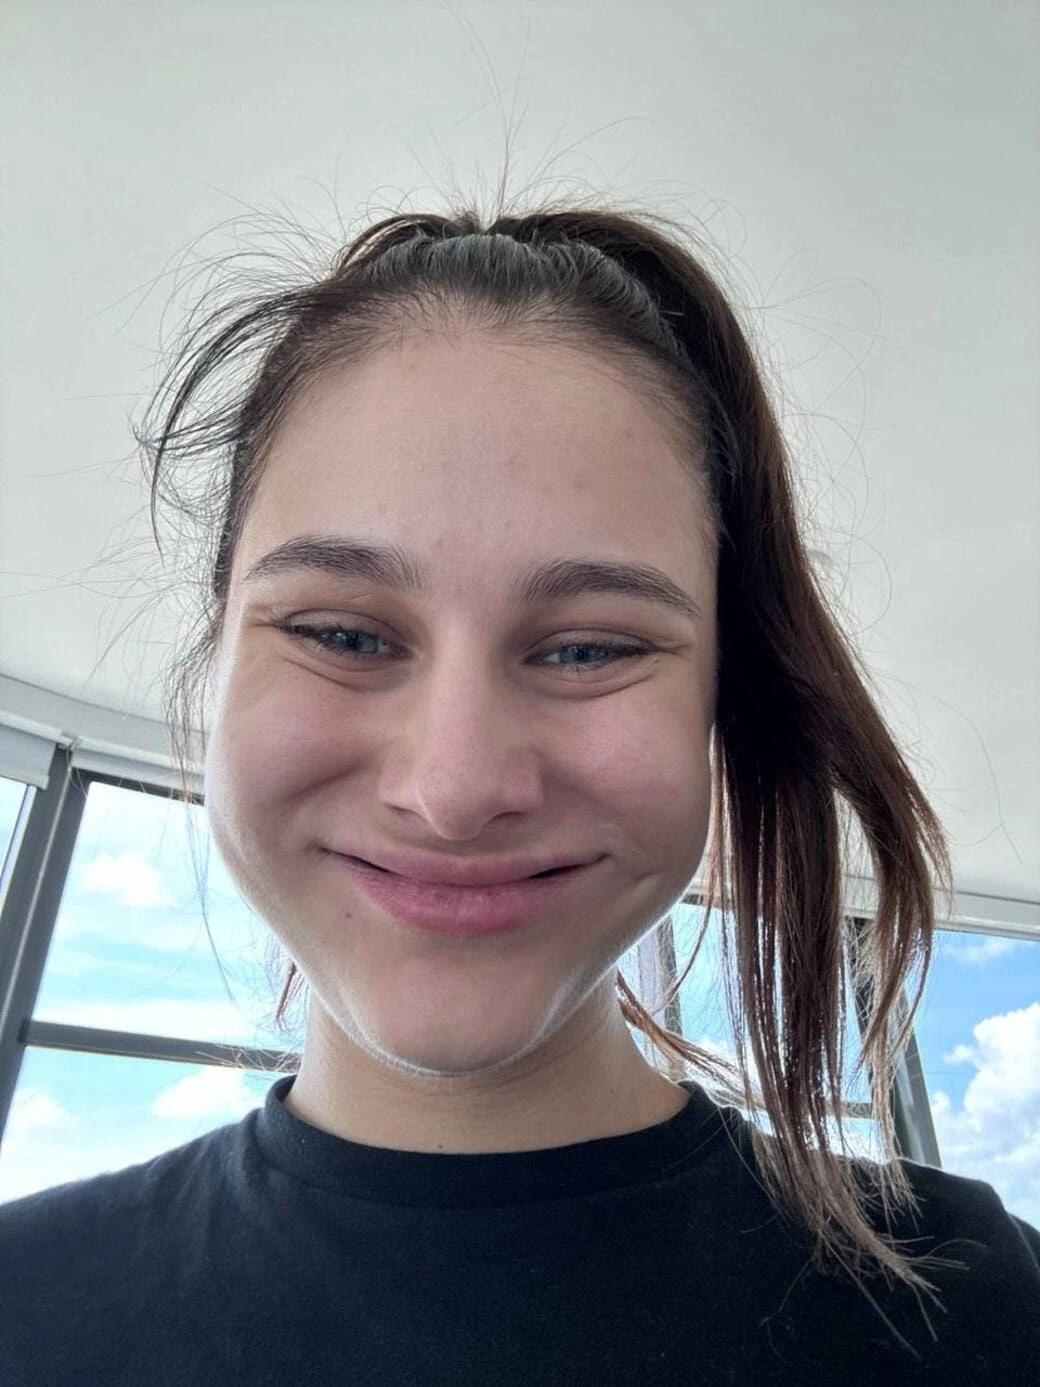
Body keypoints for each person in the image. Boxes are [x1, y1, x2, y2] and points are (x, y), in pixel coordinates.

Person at [2, 202, 1037, 1384]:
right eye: (344, 634)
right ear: (218, 654)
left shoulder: (974, 1313)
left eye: (588, 648)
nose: (452, 792)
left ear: (720, 699)